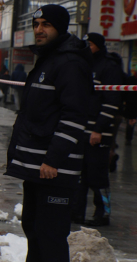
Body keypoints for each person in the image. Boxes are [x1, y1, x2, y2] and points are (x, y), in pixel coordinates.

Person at [5, 4, 93, 262]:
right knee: (33, 229)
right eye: (36, 24)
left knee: (50, 236)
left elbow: (75, 116)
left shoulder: (70, 63)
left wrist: (53, 158)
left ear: (60, 28)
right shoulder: (49, 59)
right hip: (36, 167)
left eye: (46, 24)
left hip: (54, 169)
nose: (39, 30)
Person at [71, 33, 123, 227]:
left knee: (97, 177)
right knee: (79, 176)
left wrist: (99, 129)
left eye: (89, 44)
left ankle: (103, 213)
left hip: (98, 133)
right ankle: (76, 213)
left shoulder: (109, 68)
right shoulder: (85, 65)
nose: (86, 47)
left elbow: (112, 102)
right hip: (81, 131)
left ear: (99, 46)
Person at [124, 70, 137, 146]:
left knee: (131, 122)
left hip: (131, 103)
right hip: (131, 104)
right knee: (130, 122)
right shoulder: (130, 80)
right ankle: (128, 138)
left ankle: (128, 138)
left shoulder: (130, 79)